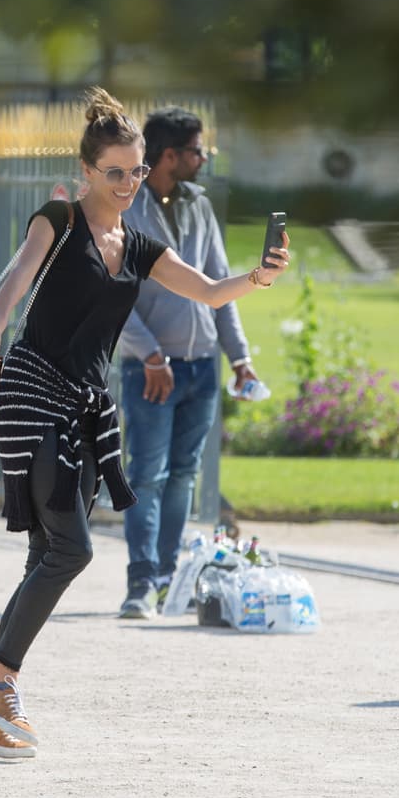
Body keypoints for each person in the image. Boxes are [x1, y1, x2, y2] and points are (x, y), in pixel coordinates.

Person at [0, 87, 290, 757]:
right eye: (117, 173)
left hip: (83, 404)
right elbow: (18, 279)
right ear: (87, 172)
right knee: (72, 549)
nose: (131, 183)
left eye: (137, 171)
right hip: (32, 393)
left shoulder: (135, 244)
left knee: (44, 553)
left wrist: (258, 275)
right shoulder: (59, 219)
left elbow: (207, 290)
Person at [115, 107, 260, 619]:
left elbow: (220, 282)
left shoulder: (198, 204)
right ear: (170, 155)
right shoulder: (127, 209)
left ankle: (167, 580)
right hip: (150, 369)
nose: (205, 159)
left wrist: (239, 357)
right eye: (198, 150)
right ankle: (140, 584)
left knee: (183, 477)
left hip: (201, 368)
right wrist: (150, 355)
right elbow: (116, 301)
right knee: (146, 475)